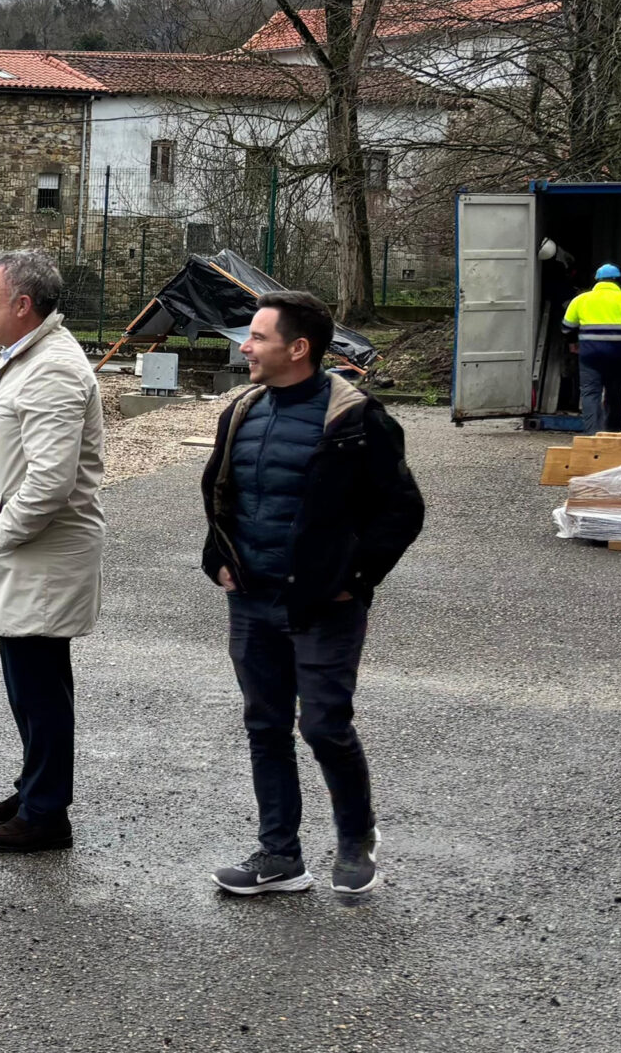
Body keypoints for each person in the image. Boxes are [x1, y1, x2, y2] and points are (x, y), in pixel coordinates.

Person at [201, 290, 424, 897]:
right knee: (266, 725)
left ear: (298, 349)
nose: (245, 346)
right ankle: (280, 857)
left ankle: (356, 839)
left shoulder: (358, 419)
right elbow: (225, 493)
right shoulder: (241, 411)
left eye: (258, 337)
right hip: (251, 600)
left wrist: (354, 581)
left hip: (324, 607)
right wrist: (218, 557)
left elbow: (401, 511)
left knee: (325, 725)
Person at [0, 250, 105, 853]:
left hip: (39, 555)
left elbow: (50, 481)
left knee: (41, 686)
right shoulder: (33, 356)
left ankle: (46, 813)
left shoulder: (53, 369)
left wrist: (0, 533)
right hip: (27, 554)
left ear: (23, 305)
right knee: (28, 682)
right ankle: (35, 786)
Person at [561, 263, 621, 432]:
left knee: (590, 394)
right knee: (616, 394)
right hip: (618, 357)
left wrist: (572, 343)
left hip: (589, 357)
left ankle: (592, 435)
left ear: (597, 280)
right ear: (618, 281)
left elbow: (567, 327)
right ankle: (613, 434)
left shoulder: (580, 300)